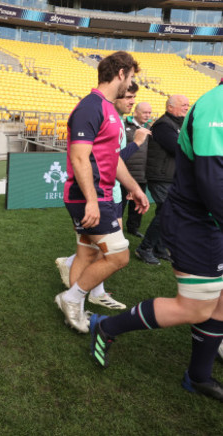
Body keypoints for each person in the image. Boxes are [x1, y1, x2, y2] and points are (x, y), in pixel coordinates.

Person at [89, 81, 223, 401]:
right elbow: (211, 179)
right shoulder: (214, 107)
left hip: (209, 219)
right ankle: (106, 328)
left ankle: (198, 375)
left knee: (219, 302)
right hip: (196, 221)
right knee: (192, 306)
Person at [55, 51, 149, 333]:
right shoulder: (90, 107)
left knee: (86, 254)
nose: (130, 83)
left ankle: (75, 308)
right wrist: (93, 203)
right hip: (89, 197)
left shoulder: (108, 108)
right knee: (119, 255)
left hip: (100, 195)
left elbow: (114, 159)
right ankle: (71, 299)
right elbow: (79, 158)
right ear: (120, 73)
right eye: (130, 77)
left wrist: (134, 189)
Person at [135, 95, 189, 265]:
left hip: (169, 175)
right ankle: (145, 248)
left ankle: (159, 247)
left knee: (166, 212)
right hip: (160, 176)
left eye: (188, 105)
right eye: (183, 105)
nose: (187, 108)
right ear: (170, 107)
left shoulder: (177, 124)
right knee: (167, 211)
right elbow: (177, 148)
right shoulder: (164, 125)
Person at [121, 101, 152, 238]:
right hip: (123, 173)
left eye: (149, 113)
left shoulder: (149, 128)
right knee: (120, 203)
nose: (147, 115)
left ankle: (133, 228)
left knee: (138, 204)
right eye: (145, 112)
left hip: (141, 173)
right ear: (136, 112)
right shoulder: (123, 125)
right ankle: (116, 227)